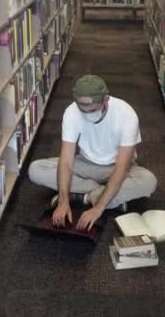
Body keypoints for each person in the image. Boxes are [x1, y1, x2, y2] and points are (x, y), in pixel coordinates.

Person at [28, 75, 157, 231]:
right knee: (36, 170)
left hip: (117, 166)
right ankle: (109, 195)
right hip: (86, 163)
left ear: (106, 99)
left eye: (93, 110)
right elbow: (66, 161)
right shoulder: (71, 113)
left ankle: (85, 197)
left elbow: (122, 168)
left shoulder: (127, 115)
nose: (87, 114)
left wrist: (98, 208)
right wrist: (63, 202)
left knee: (148, 181)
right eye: (83, 110)